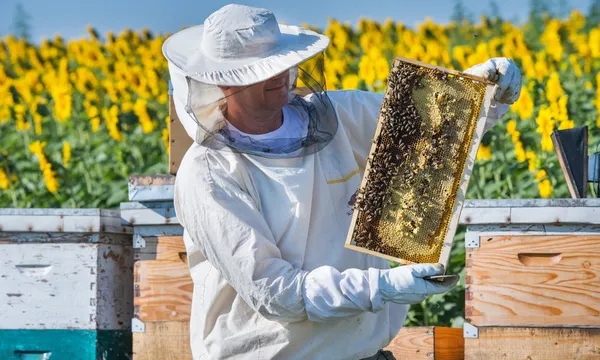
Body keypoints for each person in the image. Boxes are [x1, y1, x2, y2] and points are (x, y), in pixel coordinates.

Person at [163, 4, 522, 359]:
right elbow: (275, 291)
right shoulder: (209, 172)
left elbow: (430, 131)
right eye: (261, 69)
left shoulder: (338, 115)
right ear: (224, 80)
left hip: (364, 352)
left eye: (281, 62)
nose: (281, 74)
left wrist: (484, 93)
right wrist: (381, 287)